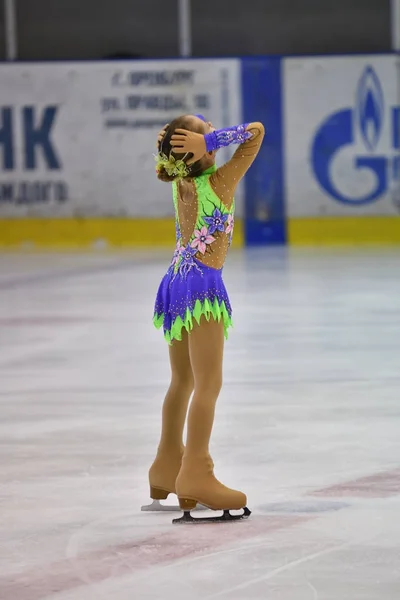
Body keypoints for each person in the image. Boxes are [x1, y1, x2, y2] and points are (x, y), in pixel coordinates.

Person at [143, 114, 265, 523]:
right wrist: (212, 138)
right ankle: (196, 471)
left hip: (174, 280)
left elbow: (176, 158)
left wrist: (187, 144)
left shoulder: (181, 181)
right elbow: (255, 133)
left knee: (183, 380)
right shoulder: (219, 182)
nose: (211, 129)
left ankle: (166, 467)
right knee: (208, 383)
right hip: (201, 287)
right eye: (204, 128)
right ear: (198, 147)